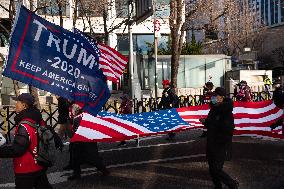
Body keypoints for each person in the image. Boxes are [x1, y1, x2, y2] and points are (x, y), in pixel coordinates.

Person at [0, 93, 53, 189]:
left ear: (24, 105)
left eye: (17, 102)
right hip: (39, 162)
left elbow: (17, 149)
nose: (15, 104)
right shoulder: (37, 118)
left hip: (25, 168)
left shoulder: (24, 125)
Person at [199, 87, 239, 189]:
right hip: (212, 142)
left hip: (221, 144)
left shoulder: (226, 112)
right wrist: (205, 122)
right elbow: (210, 124)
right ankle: (218, 186)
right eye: (213, 96)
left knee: (216, 169)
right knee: (212, 169)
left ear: (222, 98)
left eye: (215, 96)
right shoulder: (213, 109)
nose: (213, 98)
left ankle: (232, 184)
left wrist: (212, 124)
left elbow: (228, 130)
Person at [68, 104, 109, 180]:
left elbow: (74, 132)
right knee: (92, 157)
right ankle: (104, 170)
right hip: (90, 140)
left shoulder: (77, 118)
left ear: (75, 111)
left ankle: (77, 174)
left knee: (78, 158)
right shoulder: (88, 116)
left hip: (81, 142)